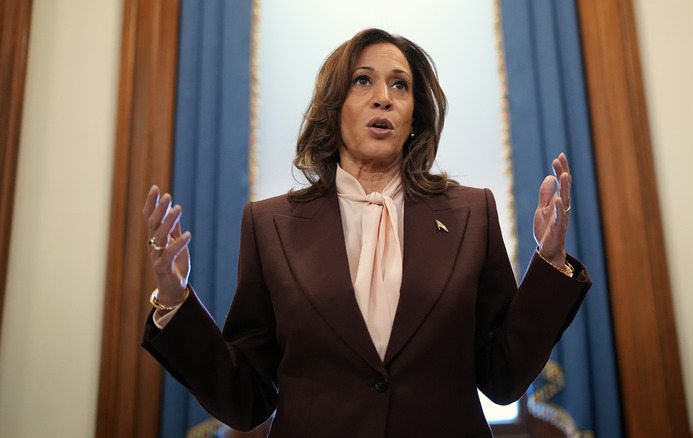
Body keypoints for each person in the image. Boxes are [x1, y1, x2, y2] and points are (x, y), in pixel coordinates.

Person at [141, 28, 591, 438]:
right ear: (334, 107)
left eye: (400, 84)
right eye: (363, 80)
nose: (384, 97)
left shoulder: (472, 213)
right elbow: (246, 398)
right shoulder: (268, 224)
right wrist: (174, 300)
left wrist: (549, 263)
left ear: (414, 115)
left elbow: (503, 376)